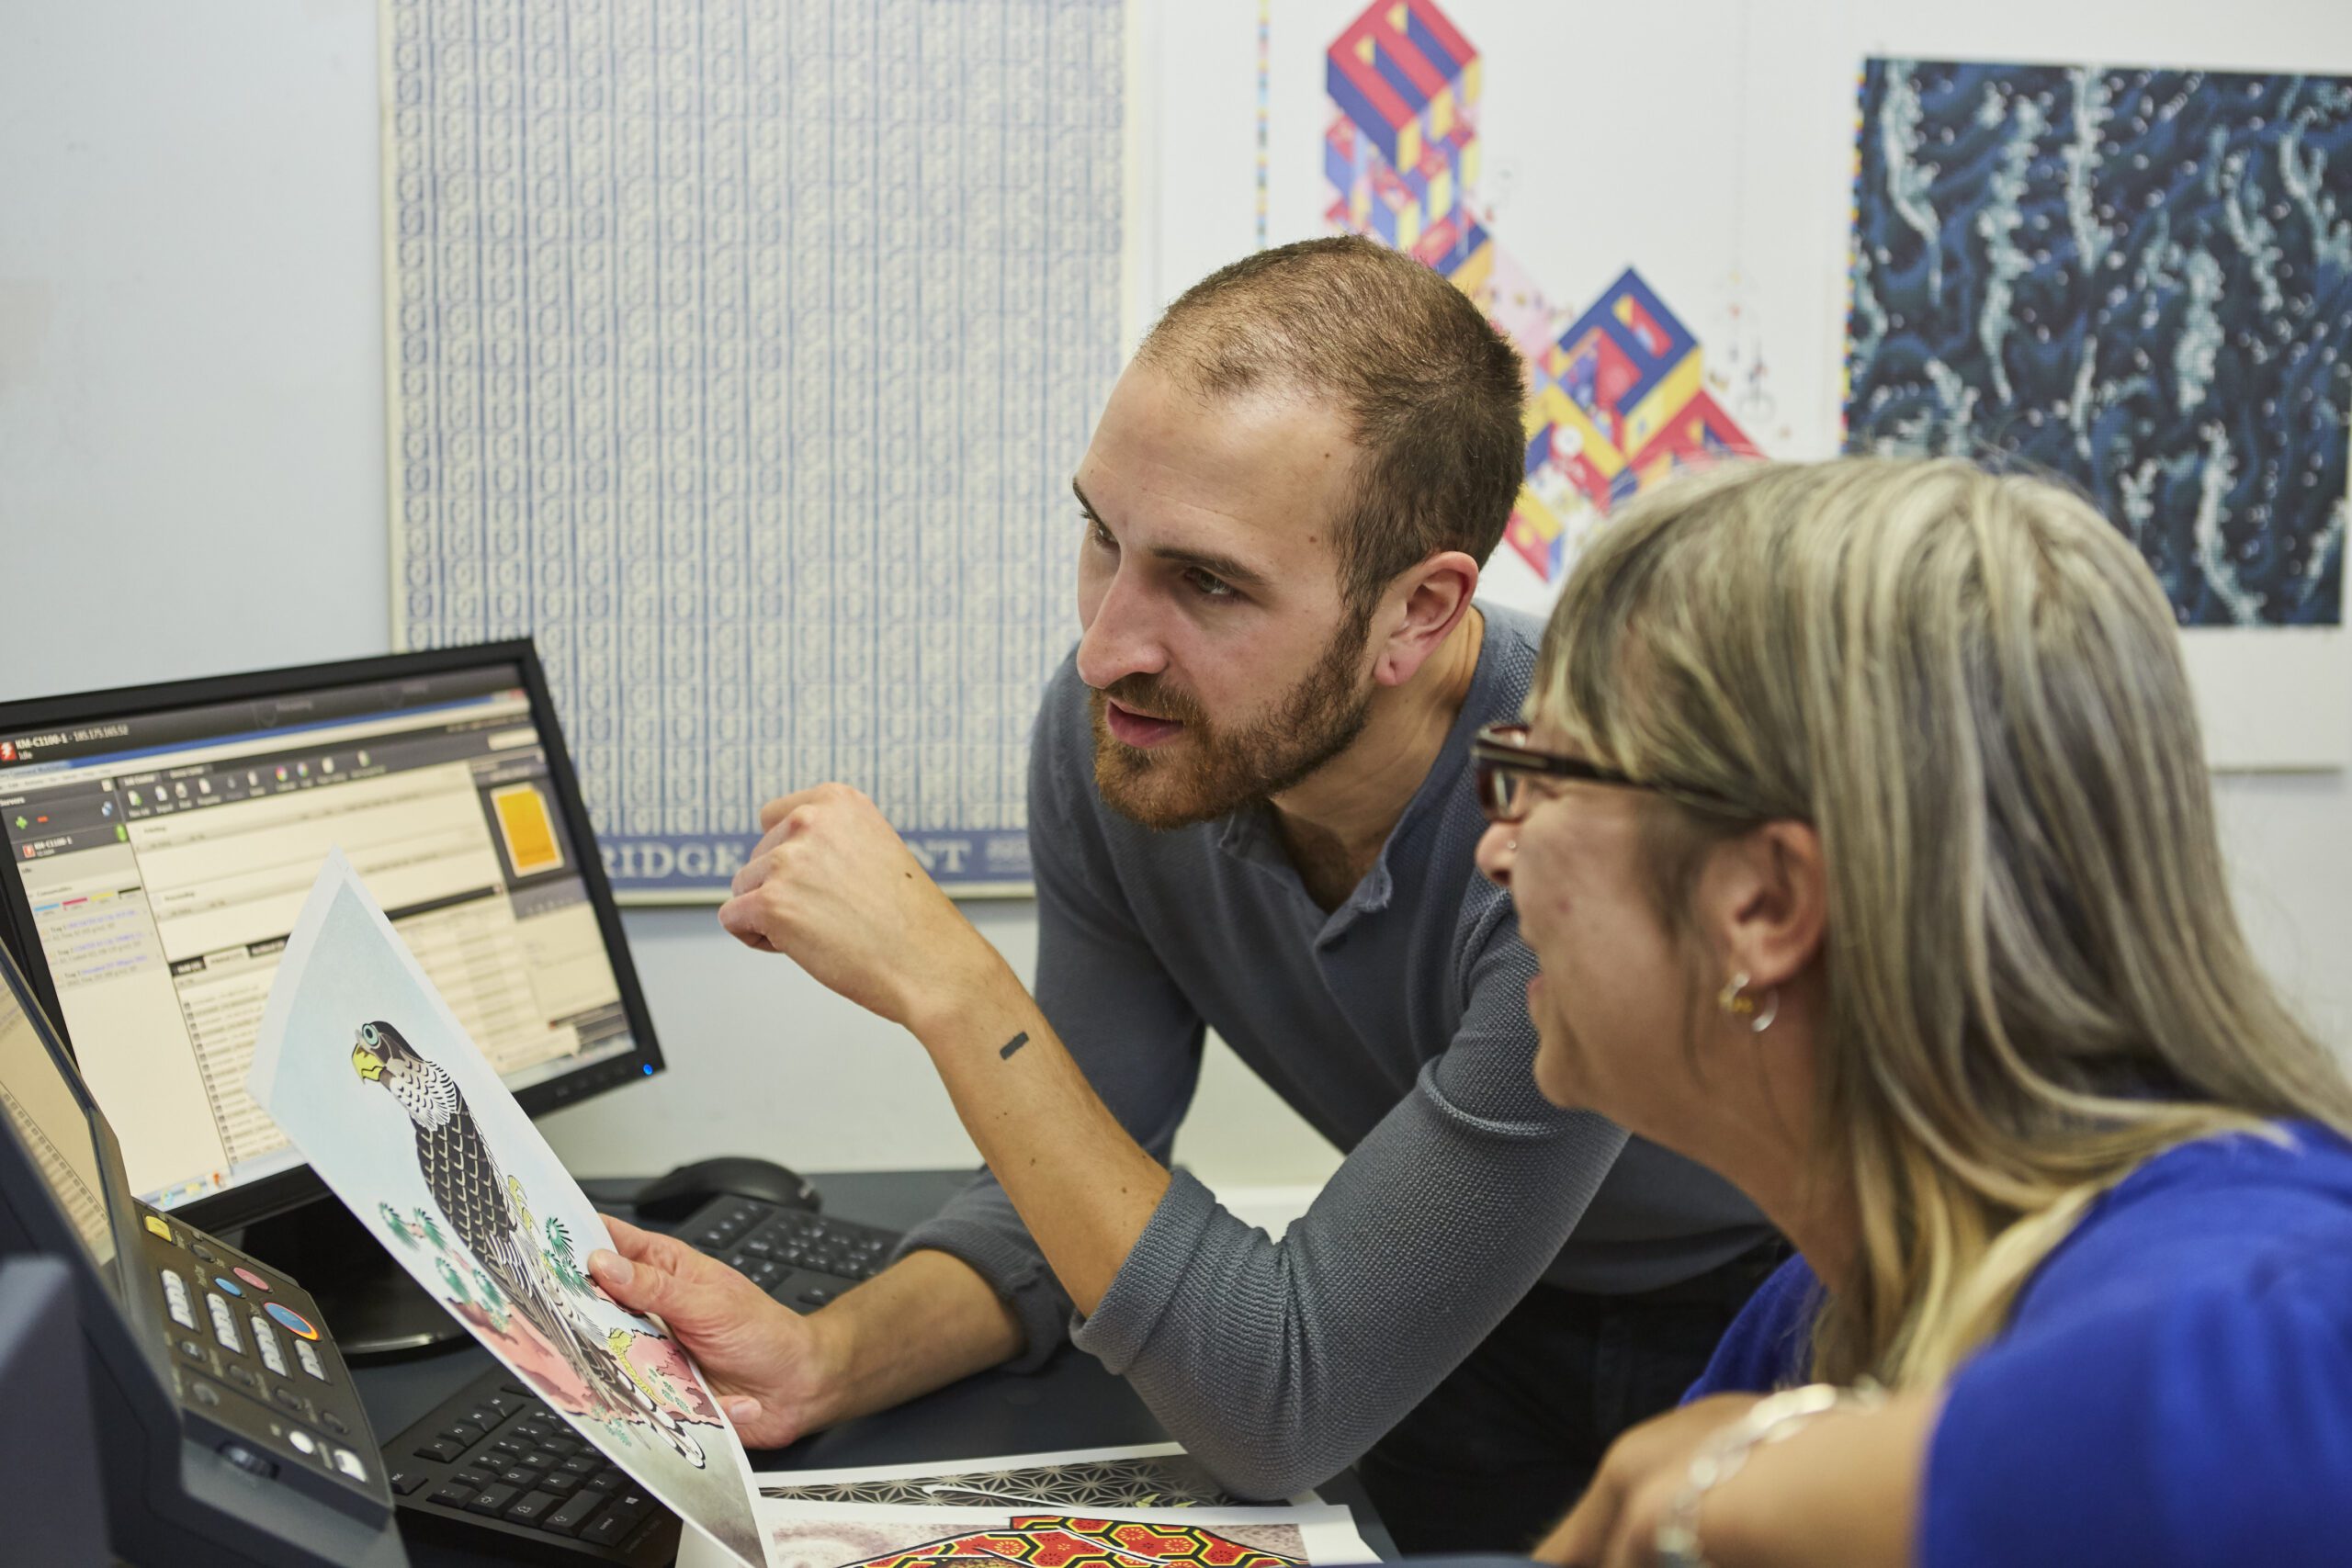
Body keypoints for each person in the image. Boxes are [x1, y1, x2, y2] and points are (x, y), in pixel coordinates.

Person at [584, 236, 1778, 1551]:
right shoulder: (1142, 738)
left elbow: (1282, 1400)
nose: (1106, 647)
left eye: (1207, 582)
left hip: (1753, 1320)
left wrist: (951, 979)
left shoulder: (1578, 822)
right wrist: (820, 1355)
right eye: (1104, 536)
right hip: (1450, 1340)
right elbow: (1067, 1184)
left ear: (1418, 612)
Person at [1464, 457, 2352, 1567]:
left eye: (1540, 780)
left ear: (1766, 902)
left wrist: (1723, 1493)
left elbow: (2292, 1387)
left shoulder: (2258, 1265)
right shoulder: (1818, 1308)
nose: (1498, 848)